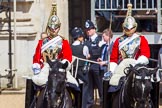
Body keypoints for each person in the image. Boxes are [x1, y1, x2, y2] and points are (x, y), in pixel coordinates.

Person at [31, 15, 78, 107]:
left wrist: (63, 65)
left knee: (74, 86)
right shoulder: (42, 42)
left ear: (59, 28)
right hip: (46, 68)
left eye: (56, 28)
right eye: (51, 28)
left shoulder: (64, 42)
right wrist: (36, 67)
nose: (53, 30)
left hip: (60, 68)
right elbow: (36, 58)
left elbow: (68, 58)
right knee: (34, 84)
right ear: (48, 28)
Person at [84, 19, 105, 107]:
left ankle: (103, 104)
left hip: (98, 66)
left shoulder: (100, 39)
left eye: (90, 29)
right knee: (89, 88)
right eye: (87, 30)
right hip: (89, 66)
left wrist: (91, 54)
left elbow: (100, 52)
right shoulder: (86, 41)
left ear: (94, 29)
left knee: (101, 87)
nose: (88, 31)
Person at [71, 27, 89, 108]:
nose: (83, 37)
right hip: (82, 71)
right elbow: (87, 57)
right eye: (81, 36)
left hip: (73, 72)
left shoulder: (70, 47)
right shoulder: (84, 47)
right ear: (79, 37)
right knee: (85, 86)